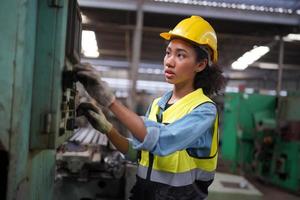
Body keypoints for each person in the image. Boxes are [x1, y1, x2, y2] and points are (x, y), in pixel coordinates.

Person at [75, 15, 225, 200]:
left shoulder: (204, 110)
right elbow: (137, 154)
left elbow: (161, 141)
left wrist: (111, 102)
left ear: (200, 65)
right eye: (168, 52)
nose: (169, 61)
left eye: (180, 55)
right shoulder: (157, 104)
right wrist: (108, 129)